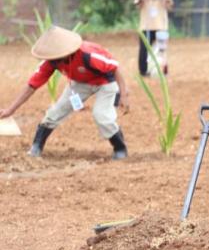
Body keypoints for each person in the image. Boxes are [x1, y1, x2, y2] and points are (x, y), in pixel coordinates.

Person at [0, 26, 130, 160]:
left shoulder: (88, 54)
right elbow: (32, 85)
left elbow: (114, 68)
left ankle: (120, 148)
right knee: (54, 112)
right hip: (79, 84)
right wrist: (11, 109)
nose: (54, 60)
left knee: (102, 115)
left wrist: (124, 93)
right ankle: (36, 146)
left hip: (105, 83)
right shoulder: (51, 62)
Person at [134, 0, 173, 76]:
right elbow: (137, 4)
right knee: (144, 50)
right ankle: (143, 71)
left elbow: (170, 6)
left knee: (162, 49)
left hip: (161, 25)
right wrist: (142, 1)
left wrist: (165, 2)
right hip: (146, 25)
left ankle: (163, 70)